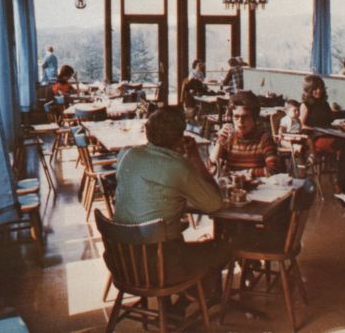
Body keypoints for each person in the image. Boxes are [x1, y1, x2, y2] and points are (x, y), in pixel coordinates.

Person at [113, 107, 227, 306]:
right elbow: (214, 204)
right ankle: (191, 300)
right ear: (179, 137)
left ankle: (183, 301)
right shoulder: (177, 166)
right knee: (222, 248)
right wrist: (193, 156)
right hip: (159, 266)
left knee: (175, 243)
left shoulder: (127, 154)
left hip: (122, 260)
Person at [210, 91, 282, 177]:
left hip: (258, 188)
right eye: (236, 117)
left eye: (245, 117)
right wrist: (220, 142)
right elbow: (211, 168)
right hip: (233, 187)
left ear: (254, 117)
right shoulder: (229, 138)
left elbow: (274, 170)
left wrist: (245, 173)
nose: (240, 122)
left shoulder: (264, 139)